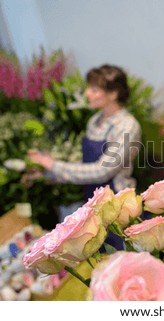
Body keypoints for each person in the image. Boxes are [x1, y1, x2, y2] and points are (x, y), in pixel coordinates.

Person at [28, 65, 141, 249]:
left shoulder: (127, 126)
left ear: (113, 94)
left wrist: (53, 164)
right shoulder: (94, 121)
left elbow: (102, 170)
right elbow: (85, 166)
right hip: (92, 206)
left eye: (94, 89)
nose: (87, 93)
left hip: (117, 209)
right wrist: (47, 175)